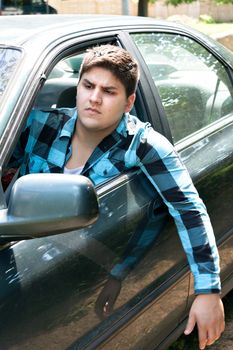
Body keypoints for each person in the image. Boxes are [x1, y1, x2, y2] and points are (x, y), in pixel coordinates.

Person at [5, 44, 224, 349]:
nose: (94, 98)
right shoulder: (37, 125)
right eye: (88, 86)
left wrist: (208, 291)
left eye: (108, 91)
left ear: (128, 102)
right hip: (18, 255)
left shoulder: (144, 145)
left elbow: (188, 209)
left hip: (71, 272)